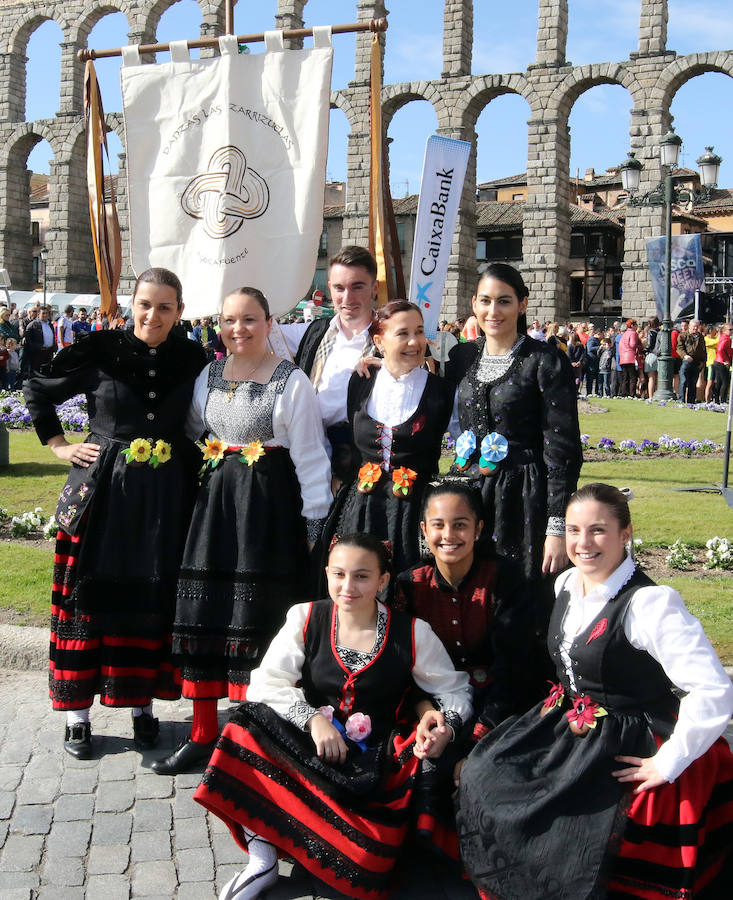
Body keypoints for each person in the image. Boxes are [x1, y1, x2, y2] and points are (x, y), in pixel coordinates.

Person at [457, 482, 733, 900]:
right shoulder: (567, 583)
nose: (583, 543)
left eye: (598, 530)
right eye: (573, 530)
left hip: (629, 735)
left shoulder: (650, 605)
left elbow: (713, 688)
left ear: (626, 534)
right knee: (485, 772)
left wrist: (668, 761)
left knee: (573, 820)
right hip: (567, 721)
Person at [194, 533, 472, 900]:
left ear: (383, 580)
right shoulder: (305, 617)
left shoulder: (413, 632)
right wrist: (313, 720)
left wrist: (444, 726)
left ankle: (330, 837)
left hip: (372, 764)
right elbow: (265, 682)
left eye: (361, 576)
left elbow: (455, 690)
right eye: (338, 574)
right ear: (327, 574)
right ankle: (262, 858)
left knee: (366, 866)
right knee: (243, 724)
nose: (348, 586)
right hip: (313, 746)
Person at [23, 269, 206, 759]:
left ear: (179, 311)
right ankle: (77, 715)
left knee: (153, 599)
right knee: (86, 599)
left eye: (164, 307)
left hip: (166, 498)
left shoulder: (193, 358)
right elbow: (38, 389)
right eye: (145, 304)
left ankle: (142, 705)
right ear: (132, 304)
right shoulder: (100, 349)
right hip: (102, 492)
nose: (153, 315)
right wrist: (59, 445)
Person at [152, 287, 332, 776]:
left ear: (269, 323)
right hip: (215, 508)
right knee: (204, 609)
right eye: (229, 320)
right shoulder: (208, 376)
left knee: (259, 616)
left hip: (268, 512)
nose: (238, 329)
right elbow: (194, 428)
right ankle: (201, 732)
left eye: (249, 319)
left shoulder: (291, 381)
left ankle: (257, 736)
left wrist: (315, 523)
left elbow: (311, 457)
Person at [395, 482, 533, 857]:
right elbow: (405, 665)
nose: (449, 535)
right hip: (434, 700)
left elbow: (515, 666)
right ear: (423, 530)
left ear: (479, 528)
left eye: (460, 524)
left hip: (501, 700)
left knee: (491, 764)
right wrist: (427, 713)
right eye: (438, 525)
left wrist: (477, 736)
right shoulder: (409, 585)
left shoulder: (504, 577)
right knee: (413, 752)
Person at [448, 263, 582, 632]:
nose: (494, 311)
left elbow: (562, 449)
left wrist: (557, 527)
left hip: (523, 498)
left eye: (504, 301)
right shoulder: (462, 358)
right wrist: (378, 364)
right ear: (474, 304)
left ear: (522, 304)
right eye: (486, 301)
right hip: (469, 495)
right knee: (469, 599)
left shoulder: (544, 360)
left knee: (518, 601)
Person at [324, 300, 454, 577]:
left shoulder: (441, 391)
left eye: (419, 331)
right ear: (379, 341)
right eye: (403, 333)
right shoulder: (361, 381)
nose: (414, 342)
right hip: (362, 508)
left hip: (414, 513)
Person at [281, 246, 379, 485]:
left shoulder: (389, 337)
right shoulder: (313, 331)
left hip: (365, 461)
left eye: (357, 286)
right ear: (329, 288)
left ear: (374, 288)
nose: (347, 298)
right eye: (339, 288)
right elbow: (259, 333)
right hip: (312, 455)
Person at [678, 319, 705, 403]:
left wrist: (703, 362)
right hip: (686, 361)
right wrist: (685, 356)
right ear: (689, 326)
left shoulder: (700, 337)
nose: (695, 328)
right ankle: (681, 400)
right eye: (694, 327)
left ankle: (691, 402)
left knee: (693, 383)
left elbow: (703, 350)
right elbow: (679, 348)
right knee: (684, 381)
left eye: (697, 327)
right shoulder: (683, 335)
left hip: (696, 363)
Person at [23, 304, 56, 373]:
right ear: (38, 314)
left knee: (47, 370)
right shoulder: (33, 325)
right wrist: (35, 348)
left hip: (49, 352)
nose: (45, 315)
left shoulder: (50, 324)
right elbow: (28, 340)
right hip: (38, 353)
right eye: (43, 313)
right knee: (36, 371)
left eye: (46, 313)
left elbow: (53, 336)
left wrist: (54, 347)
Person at [618, 318, 642, 397]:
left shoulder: (624, 334)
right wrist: (639, 346)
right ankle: (632, 393)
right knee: (633, 377)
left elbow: (620, 345)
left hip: (623, 358)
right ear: (632, 325)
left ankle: (624, 393)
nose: (637, 326)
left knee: (625, 377)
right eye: (636, 325)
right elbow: (633, 344)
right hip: (630, 357)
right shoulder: (633, 333)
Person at [713, 321, 732, 403]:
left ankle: (717, 400)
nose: (731, 331)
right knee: (725, 382)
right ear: (725, 330)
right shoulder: (726, 338)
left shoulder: (723, 337)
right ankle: (722, 400)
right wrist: (725, 360)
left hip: (718, 361)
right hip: (721, 362)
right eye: (730, 330)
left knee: (719, 382)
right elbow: (720, 349)